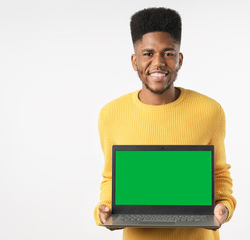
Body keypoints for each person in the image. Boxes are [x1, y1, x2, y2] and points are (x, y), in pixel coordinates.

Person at [94, 7, 236, 240]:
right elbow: (111, 178)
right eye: (148, 53)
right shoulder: (111, 114)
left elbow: (219, 174)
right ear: (134, 60)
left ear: (179, 59)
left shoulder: (210, 110)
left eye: (168, 53)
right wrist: (105, 209)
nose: (158, 63)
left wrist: (224, 207)